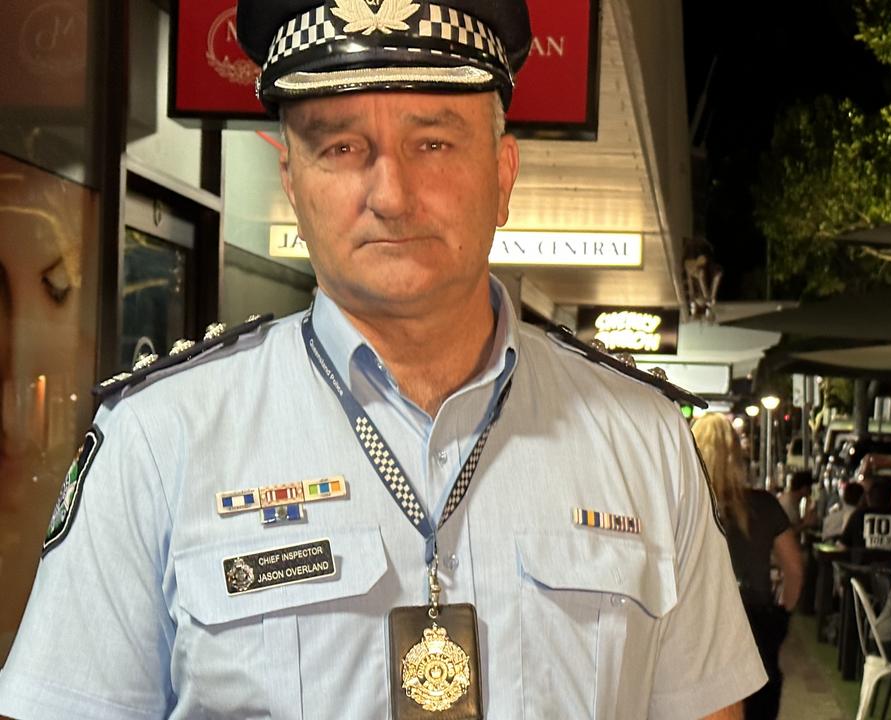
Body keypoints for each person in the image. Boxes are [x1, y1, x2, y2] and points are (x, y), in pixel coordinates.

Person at [0, 3, 764, 717]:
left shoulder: (644, 438)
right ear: (293, 184)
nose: (392, 194)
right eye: (341, 147)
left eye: (433, 142)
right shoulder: (160, 438)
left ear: (502, 174)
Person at [693, 413, 804, 720]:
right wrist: (782, 616)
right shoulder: (765, 504)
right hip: (756, 620)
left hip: (699, 620)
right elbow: (794, 569)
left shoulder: (685, 502)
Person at [842, 477, 891, 559]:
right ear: (890, 499)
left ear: (868, 498)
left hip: (860, 570)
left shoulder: (858, 516)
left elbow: (843, 546)